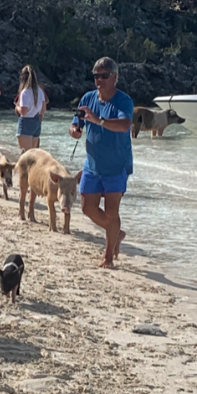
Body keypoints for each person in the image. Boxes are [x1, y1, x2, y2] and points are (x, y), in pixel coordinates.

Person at [69, 56, 133, 269]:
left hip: (116, 166)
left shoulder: (123, 100)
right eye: (96, 76)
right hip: (92, 165)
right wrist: (75, 131)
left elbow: (125, 125)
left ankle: (108, 257)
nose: (99, 80)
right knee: (88, 208)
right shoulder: (87, 98)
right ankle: (116, 233)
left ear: (114, 76)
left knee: (112, 211)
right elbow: (75, 124)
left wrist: (99, 120)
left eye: (104, 75)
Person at [14, 65, 46, 152]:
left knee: (25, 155)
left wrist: (17, 107)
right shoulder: (40, 91)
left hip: (26, 122)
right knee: (33, 155)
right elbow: (43, 110)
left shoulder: (25, 92)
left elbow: (24, 112)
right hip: (36, 122)